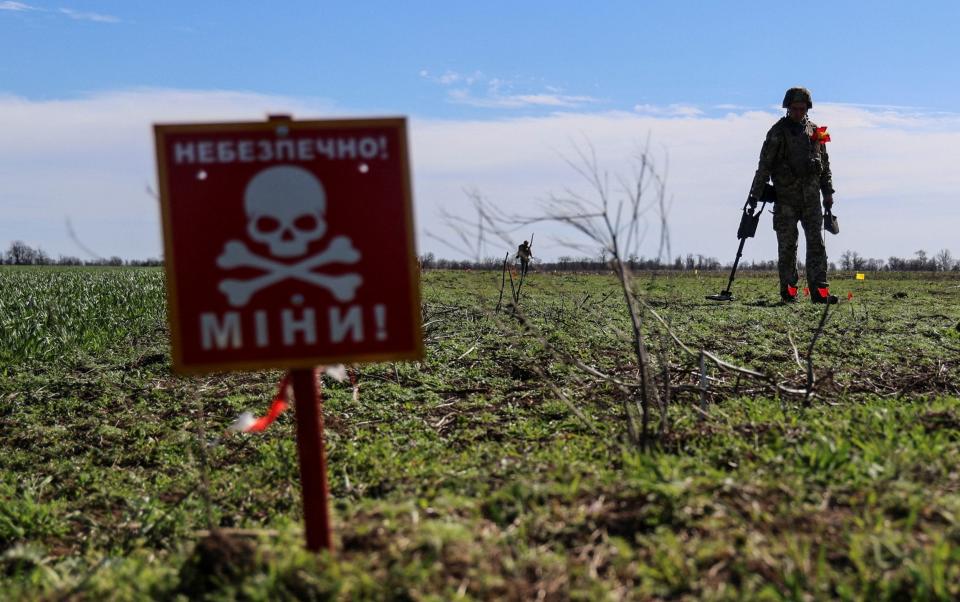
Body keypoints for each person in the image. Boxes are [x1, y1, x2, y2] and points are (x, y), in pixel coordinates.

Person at [748, 87, 838, 304]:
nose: (798, 112)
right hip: (786, 201)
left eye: (802, 108)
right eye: (794, 108)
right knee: (788, 250)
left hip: (811, 202)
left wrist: (828, 192)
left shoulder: (817, 132)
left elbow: (825, 166)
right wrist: (754, 194)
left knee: (817, 246)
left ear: (807, 108)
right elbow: (764, 166)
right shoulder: (777, 132)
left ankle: (820, 293)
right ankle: (789, 294)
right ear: (788, 108)